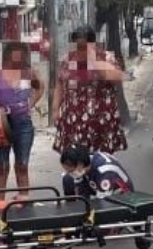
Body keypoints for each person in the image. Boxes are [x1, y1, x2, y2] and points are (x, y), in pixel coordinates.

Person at [0, 41, 45, 201]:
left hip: (23, 123)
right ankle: (0, 200)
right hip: (1, 123)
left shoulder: (28, 72)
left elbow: (40, 87)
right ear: (7, 54)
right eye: (14, 53)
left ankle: (23, 196)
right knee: (1, 165)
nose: (17, 57)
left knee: (22, 164)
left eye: (21, 53)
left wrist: (30, 104)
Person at [52, 25, 127, 154]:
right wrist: (55, 110)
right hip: (73, 120)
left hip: (100, 121)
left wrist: (94, 61)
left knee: (99, 159)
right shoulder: (68, 60)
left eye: (83, 45)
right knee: (75, 158)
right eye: (77, 45)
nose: (80, 49)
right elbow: (59, 84)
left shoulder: (105, 57)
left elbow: (116, 78)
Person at [59, 144, 135, 199]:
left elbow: (103, 203)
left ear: (80, 164)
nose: (69, 172)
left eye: (71, 171)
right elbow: (80, 187)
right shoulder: (86, 162)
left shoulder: (105, 172)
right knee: (68, 179)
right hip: (96, 185)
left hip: (119, 197)